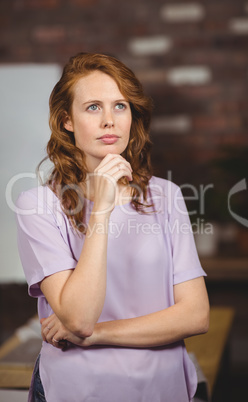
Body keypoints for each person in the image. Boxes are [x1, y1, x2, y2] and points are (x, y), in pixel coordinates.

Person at [15, 52, 209, 402]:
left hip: (162, 388)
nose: (109, 121)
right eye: (92, 107)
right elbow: (78, 317)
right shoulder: (37, 206)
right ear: (67, 121)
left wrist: (97, 334)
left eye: (120, 106)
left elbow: (195, 315)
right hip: (76, 390)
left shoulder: (167, 196)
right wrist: (101, 210)